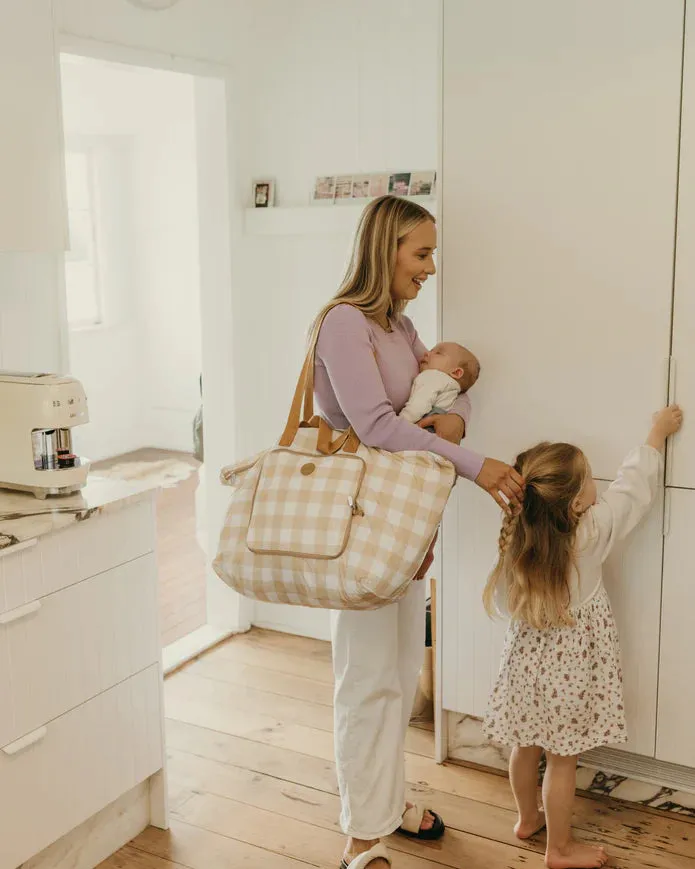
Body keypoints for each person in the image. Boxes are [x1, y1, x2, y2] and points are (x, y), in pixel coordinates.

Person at [311, 194, 524, 869]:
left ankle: (385, 801)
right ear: (385, 249)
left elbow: (444, 383)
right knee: (367, 680)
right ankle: (360, 836)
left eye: (431, 253)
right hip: (364, 527)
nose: (429, 267)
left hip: (401, 528)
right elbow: (374, 425)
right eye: (421, 252)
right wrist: (472, 463)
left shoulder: (398, 328)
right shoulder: (344, 323)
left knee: (399, 677)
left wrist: (456, 416)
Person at [482, 405, 683, 869]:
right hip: (569, 678)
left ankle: (526, 819)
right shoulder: (592, 532)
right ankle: (558, 849)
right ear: (575, 503)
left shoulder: (519, 538)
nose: (599, 483)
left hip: (524, 673)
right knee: (562, 761)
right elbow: (634, 490)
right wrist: (657, 431)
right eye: (591, 477)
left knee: (524, 747)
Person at [399, 341, 480, 425]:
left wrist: (400, 422)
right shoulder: (452, 388)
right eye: (431, 350)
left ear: (456, 372)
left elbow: (417, 407)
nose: (426, 353)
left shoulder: (433, 376)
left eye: (438, 353)